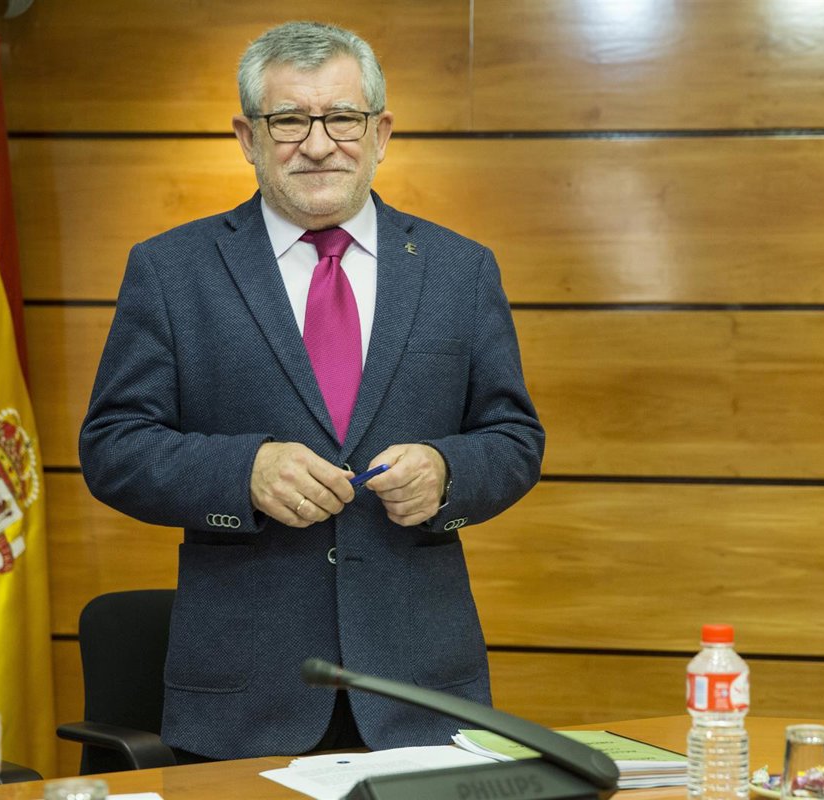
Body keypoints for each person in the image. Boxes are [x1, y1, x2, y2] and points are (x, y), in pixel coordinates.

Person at [78, 20, 544, 760]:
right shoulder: (171, 271)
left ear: (381, 132)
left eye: (343, 118)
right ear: (248, 137)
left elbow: (514, 438)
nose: (319, 144)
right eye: (289, 120)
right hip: (242, 702)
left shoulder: (461, 269)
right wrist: (244, 471)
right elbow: (113, 447)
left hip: (422, 695)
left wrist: (448, 472)